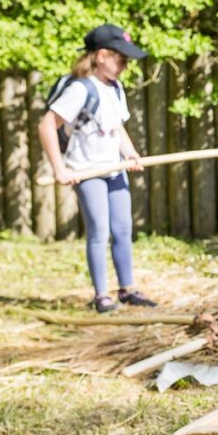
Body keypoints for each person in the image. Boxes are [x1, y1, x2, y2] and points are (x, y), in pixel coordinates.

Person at [38, 23, 158, 313]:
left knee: (122, 228)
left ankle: (127, 289)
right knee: (99, 231)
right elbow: (46, 125)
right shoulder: (81, 89)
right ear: (102, 55)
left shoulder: (115, 89)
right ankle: (102, 295)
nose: (125, 67)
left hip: (113, 168)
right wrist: (59, 169)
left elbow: (116, 126)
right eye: (121, 59)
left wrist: (130, 154)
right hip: (87, 171)